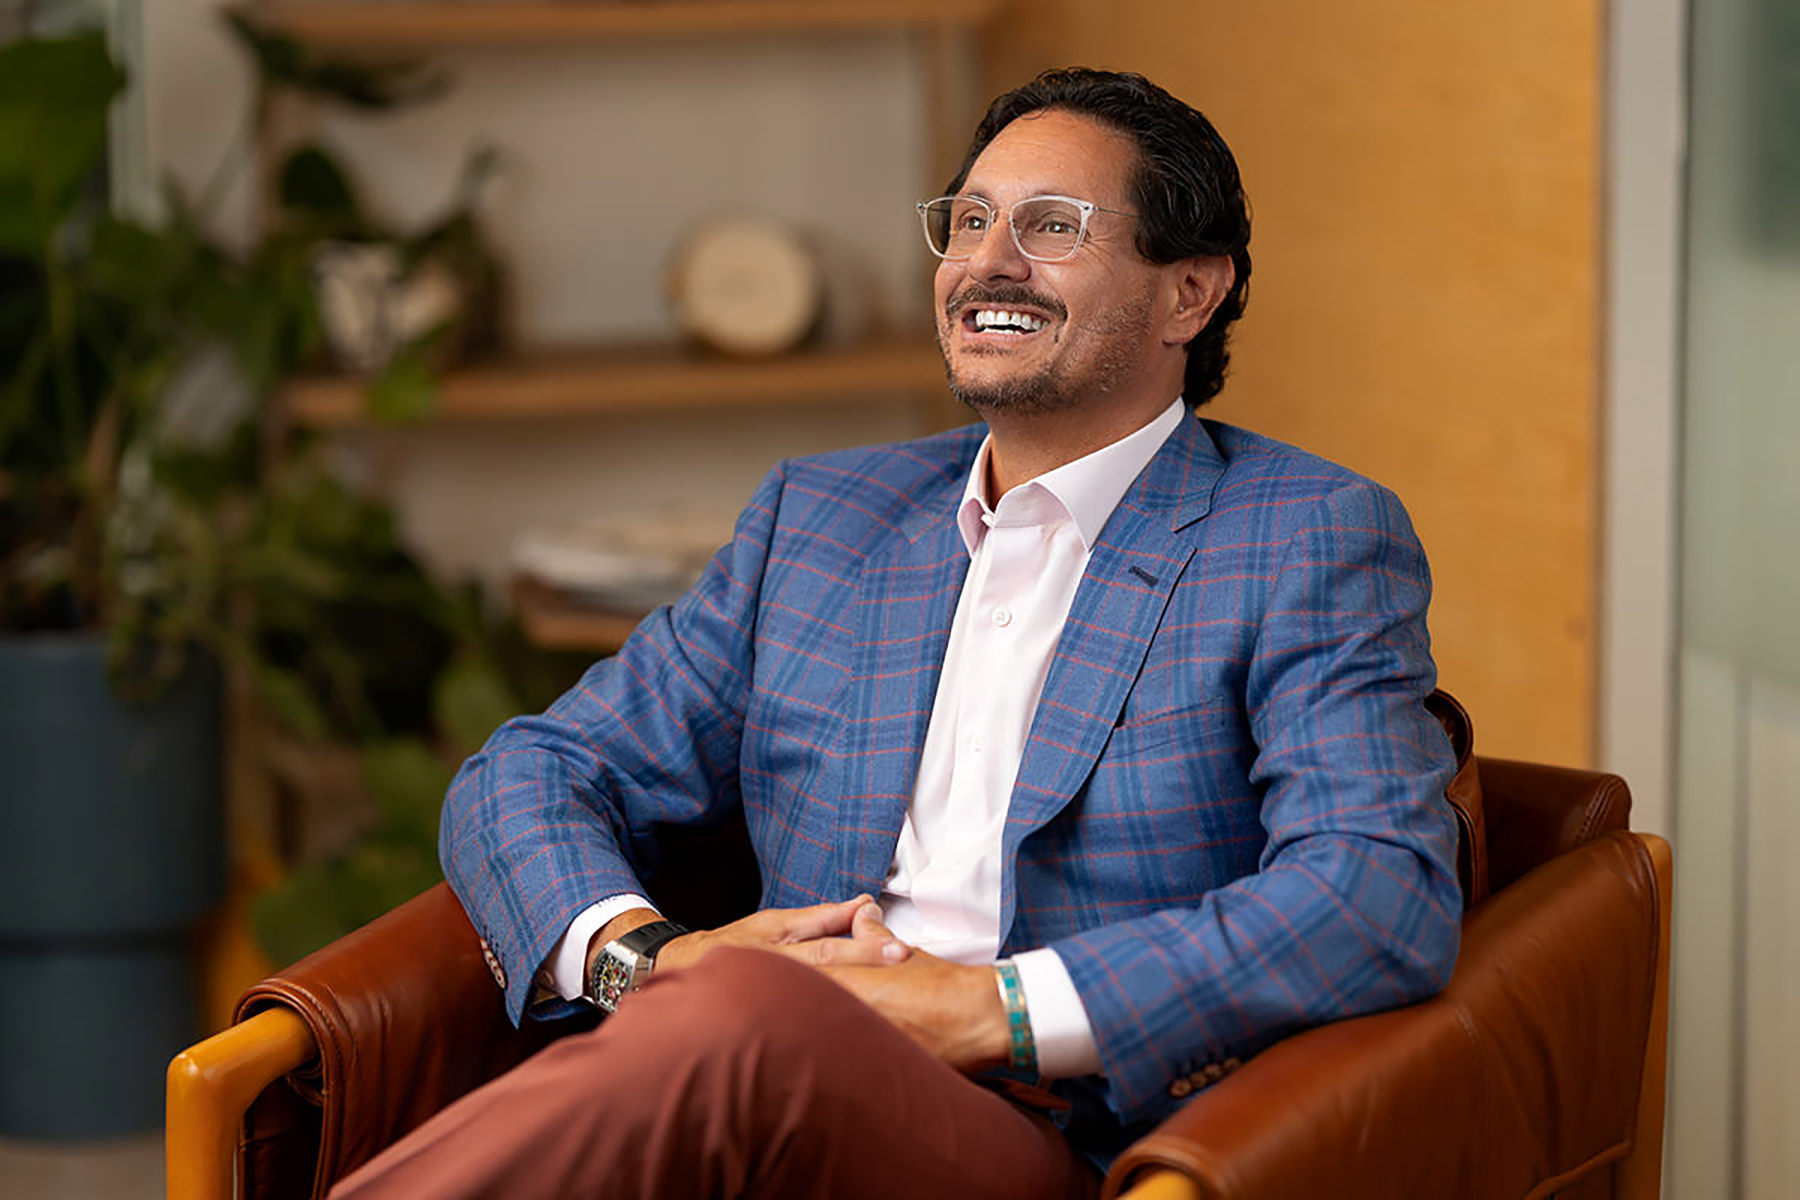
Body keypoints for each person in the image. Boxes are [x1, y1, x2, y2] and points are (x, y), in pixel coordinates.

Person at [333, 67, 1463, 1199]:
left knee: (751, 1016)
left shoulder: (1305, 536)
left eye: (1051, 226)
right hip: (752, 1064)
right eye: (969, 221)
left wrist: (991, 1009)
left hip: (1052, 1130)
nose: (988, 263)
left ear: (1189, 294)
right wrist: (652, 961)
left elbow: (1376, 891)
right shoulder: (822, 519)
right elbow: (534, 769)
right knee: (737, 1009)